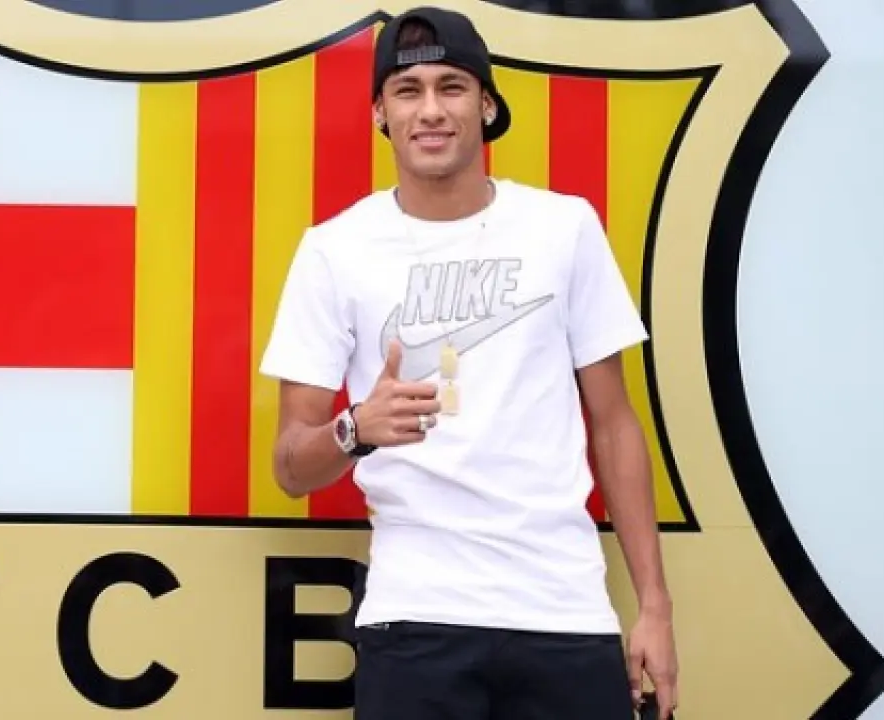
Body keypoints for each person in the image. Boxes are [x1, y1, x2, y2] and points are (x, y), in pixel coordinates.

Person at [258, 5, 679, 719]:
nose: (430, 110)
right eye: (407, 90)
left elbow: (613, 424)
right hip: (414, 620)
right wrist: (356, 428)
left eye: (451, 87)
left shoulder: (564, 227)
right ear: (380, 114)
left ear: (486, 104)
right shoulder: (334, 250)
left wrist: (655, 608)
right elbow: (291, 466)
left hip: (563, 611)